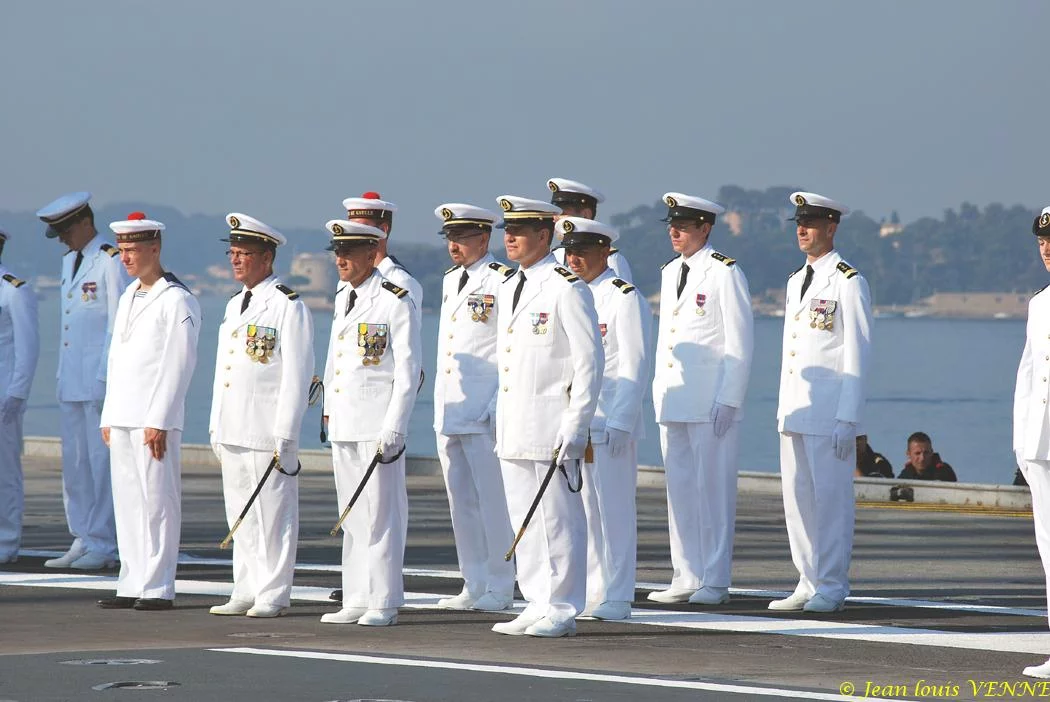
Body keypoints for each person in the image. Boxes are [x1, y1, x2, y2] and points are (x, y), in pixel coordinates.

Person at [489, 195, 603, 638]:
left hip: (552, 423)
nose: (510, 239)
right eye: (507, 231)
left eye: (519, 231)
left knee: (557, 518)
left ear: (544, 235)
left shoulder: (565, 286)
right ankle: (536, 598)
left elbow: (589, 363)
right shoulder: (507, 284)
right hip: (516, 422)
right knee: (525, 518)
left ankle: (562, 605)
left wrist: (576, 425)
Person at [648, 193, 754, 606]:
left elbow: (739, 342)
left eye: (684, 226)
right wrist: (659, 393)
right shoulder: (670, 271)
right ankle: (686, 572)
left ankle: (715, 578)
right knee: (680, 492)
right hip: (675, 400)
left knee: (713, 492)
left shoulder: (724, 273)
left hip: (711, 403)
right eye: (672, 225)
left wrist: (730, 398)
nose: (675, 232)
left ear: (705, 228)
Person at [770, 191, 872, 614]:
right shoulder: (797, 281)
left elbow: (857, 353)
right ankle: (807, 578)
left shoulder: (848, 280)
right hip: (796, 407)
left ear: (831, 227)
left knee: (830, 501)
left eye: (811, 223)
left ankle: (831, 583)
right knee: (797, 500)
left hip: (830, 412)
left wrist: (849, 417)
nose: (802, 230)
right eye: (799, 222)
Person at [208, 213, 314, 618]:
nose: (235, 260)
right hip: (233, 425)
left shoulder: (287, 305)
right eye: (232, 253)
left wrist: (285, 432)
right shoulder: (235, 305)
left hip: (266, 428)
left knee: (272, 516)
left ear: (266, 258)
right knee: (240, 514)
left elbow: (297, 374)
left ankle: (273, 592)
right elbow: (225, 372)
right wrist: (216, 424)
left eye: (244, 254)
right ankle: (246, 586)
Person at [319, 219, 422, 628]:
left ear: (370, 253)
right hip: (346, 421)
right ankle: (358, 594)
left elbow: (409, 369)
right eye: (337, 252)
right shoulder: (345, 296)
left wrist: (395, 426)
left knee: (380, 514)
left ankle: (382, 598)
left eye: (349, 252)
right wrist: (328, 408)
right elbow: (337, 363)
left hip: (378, 423)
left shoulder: (394, 299)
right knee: (353, 513)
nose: (340, 260)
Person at [97, 213, 200, 611]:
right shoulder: (128, 296)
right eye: (122, 250)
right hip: (123, 414)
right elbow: (117, 358)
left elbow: (179, 363)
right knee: (128, 501)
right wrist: (109, 414)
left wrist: (159, 418)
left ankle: (157, 585)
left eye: (134, 250)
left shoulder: (176, 298)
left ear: (154, 249)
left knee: (157, 501)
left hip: (152, 418)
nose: (126, 258)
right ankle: (133, 579)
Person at [560, 216, 652, 621]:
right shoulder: (569, 294)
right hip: (580, 419)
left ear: (605, 252)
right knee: (585, 512)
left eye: (583, 251)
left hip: (611, 420)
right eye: (569, 251)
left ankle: (618, 593)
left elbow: (634, 363)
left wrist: (622, 420)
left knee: (613, 511)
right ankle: (596, 590)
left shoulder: (622, 296)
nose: (574, 258)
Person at [36, 192, 129, 570]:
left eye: (65, 231)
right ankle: (83, 534)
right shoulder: (69, 262)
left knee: (98, 462)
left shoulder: (109, 260)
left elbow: (117, 322)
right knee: (75, 465)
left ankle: (104, 542)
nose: (62, 239)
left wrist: (107, 374)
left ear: (84, 224)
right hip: (71, 378)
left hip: (97, 380)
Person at [431, 203, 516, 612]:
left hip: (484, 410)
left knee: (493, 501)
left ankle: (501, 583)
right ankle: (473, 580)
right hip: (452, 406)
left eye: (461, 238)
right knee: (460, 501)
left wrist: (499, 400)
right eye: (450, 238)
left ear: (483, 239)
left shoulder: (502, 280)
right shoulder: (451, 281)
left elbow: (508, 346)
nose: (454, 246)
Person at [1015, 205, 1050, 679]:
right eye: (1042, 242)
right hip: (1041, 442)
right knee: (1049, 547)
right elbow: (1026, 375)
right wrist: (1022, 442)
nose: (1046, 248)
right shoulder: (1039, 304)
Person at [0, 227, 40, 565]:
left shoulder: (13, 291)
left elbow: (28, 348)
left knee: (4, 472)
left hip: (2, 396)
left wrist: (17, 394)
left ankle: (6, 540)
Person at [342, 192, 423, 323]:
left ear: (383, 230)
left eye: (360, 229)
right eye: (351, 229)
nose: (353, 235)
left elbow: (408, 339)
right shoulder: (346, 282)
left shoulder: (401, 282)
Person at [547, 178, 633, 282]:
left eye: (562, 213)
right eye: (554, 214)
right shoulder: (555, 255)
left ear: (585, 215)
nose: (555, 219)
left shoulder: (609, 259)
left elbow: (617, 295)